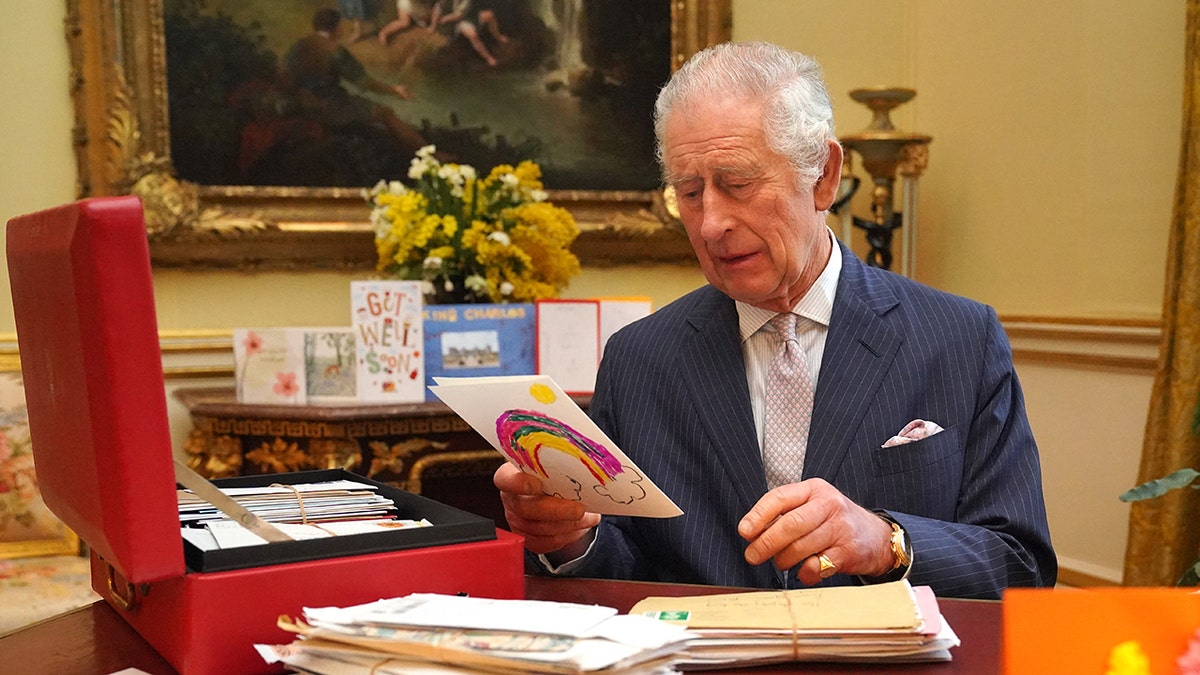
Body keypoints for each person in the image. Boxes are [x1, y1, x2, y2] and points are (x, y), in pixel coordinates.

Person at [494, 41, 1057, 600]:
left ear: (824, 176)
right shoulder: (639, 358)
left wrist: (887, 543)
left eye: (738, 184)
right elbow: (625, 567)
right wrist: (569, 539)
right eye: (689, 193)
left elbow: (1022, 567)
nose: (711, 224)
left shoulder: (959, 338)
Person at [280, 8, 428, 154]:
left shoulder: (298, 46)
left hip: (301, 105)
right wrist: (395, 90)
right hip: (331, 107)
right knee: (386, 113)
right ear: (337, 27)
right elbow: (364, 83)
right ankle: (429, 154)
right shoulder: (334, 50)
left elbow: (284, 75)